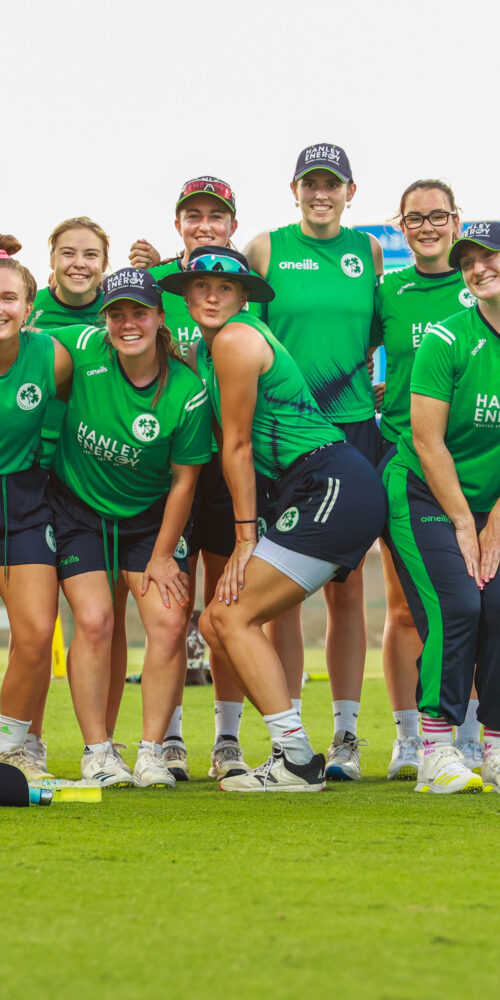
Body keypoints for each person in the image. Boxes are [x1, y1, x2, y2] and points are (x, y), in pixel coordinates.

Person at [160, 246, 387, 791]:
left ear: (243, 298)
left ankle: (298, 760)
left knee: (230, 617)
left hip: (331, 485)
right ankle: (296, 755)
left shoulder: (237, 339)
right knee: (219, 620)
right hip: (318, 488)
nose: (211, 294)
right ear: (185, 294)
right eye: (200, 285)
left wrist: (244, 540)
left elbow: (236, 448)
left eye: (226, 287)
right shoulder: (210, 350)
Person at [244, 143, 383, 780]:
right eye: (310, 183)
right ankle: (289, 731)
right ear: (294, 189)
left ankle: (349, 735)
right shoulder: (267, 248)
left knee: (348, 590)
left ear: (350, 192)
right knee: (287, 593)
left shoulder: (368, 252)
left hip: (352, 429)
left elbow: (374, 332)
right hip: (289, 434)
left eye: (333, 184)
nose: (321, 193)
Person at [48, 267, 212, 787]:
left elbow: (185, 483)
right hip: (80, 512)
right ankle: (98, 752)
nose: (127, 323)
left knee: (167, 624)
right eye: (117, 314)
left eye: (138, 312)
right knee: (94, 622)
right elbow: (22, 346)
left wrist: (164, 556)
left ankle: (151, 752)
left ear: (161, 318)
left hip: (150, 522)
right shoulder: (84, 346)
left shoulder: (187, 390)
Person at [129, 177, 261, 781]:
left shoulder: (241, 288)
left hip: (228, 468)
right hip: (170, 470)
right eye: (193, 216)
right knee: (175, 608)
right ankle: (172, 737)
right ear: (177, 221)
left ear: (232, 224)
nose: (204, 224)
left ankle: (228, 739)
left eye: (216, 216)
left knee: (225, 597)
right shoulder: (156, 283)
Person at [382, 221, 500, 795]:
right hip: (423, 493)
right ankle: (435, 749)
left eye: (490, 255)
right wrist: (464, 522)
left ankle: (496, 752)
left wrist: (495, 520)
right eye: (469, 260)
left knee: (498, 608)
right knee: (460, 608)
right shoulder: (447, 338)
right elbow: (428, 442)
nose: (479, 268)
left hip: (491, 502)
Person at [0, 236, 72, 781]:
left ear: (28, 308)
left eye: (7, 298)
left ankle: (9, 746)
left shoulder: (51, 355)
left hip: (25, 508)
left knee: (34, 634)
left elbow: (71, 410)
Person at [28, 216, 108, 329]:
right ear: (52, 260)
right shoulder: (29, 306)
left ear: (104, 263)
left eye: (91, 254)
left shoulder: (117, 306)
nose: (79, 263)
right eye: (68, 253)